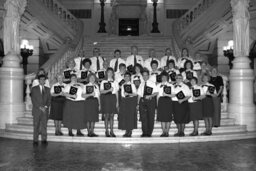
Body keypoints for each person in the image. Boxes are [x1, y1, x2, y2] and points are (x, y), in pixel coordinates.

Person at [31, 75, 51, 146]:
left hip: (45, 110)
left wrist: (45, 107)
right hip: (37, 110)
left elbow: (49, 100)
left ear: (45, 81)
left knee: (44, 125)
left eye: (43, 79)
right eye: (41, 79)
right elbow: (33, 100)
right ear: (39, 80)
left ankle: (44, 139)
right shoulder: (34, 89)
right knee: (36, 125)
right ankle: (35, 140)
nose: (42, 80)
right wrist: (40, 107)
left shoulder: (48, 89)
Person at [137, 69, 158, 137]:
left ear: (148, 76)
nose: (145, 76)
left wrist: (150, 96)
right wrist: (137, 104)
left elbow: (156, 92)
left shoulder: (152, 83)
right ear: (142, 76)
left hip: (150, 101)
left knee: (150, 117)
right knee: (143, 117)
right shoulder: (141, 84)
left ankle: (149, 132)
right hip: (142, 101)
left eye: (146, 75)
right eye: (143, 75)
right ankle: (144, 132)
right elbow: (139, 95)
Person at [100, 68, 119, 137]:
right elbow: (101, 91)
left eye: (111, 72)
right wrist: (108, 90)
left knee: (112, 115)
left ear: (113, 73)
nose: (110, 74)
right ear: (106, 73)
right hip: (106, 98)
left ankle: (112, 131)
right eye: (108, 72)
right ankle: (106, 131)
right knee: (106, 115)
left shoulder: (115, 82)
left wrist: (117, 102)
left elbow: (116, 92)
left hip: (113, 98)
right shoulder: (103, 81)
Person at [118, 72, 138, 137]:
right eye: (125, 76)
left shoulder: (132, 85)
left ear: (130, 77)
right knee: (125, 116)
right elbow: (122, 94)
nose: (126, 78)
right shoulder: (122, 85)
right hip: (124, 101)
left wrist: (129, 94)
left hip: (130, 101)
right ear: (124, 77)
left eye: (128, 76)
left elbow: (135, 94)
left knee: (130, 116)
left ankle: (130, 131)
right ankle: (126, 131)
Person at [156, 71, 175, 137]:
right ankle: (163, 131)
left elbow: (173, 95)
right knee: (162, 117)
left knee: (168, 117)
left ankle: (167, 131)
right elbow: (157, 96)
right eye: (162, 77)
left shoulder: (171, 85)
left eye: (165, 77)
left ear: (167, 78)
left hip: (168, 101)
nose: (164, 78)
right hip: (161, 101)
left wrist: (167, 94)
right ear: (161, 78)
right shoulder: (158, 85)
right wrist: (157, 104)